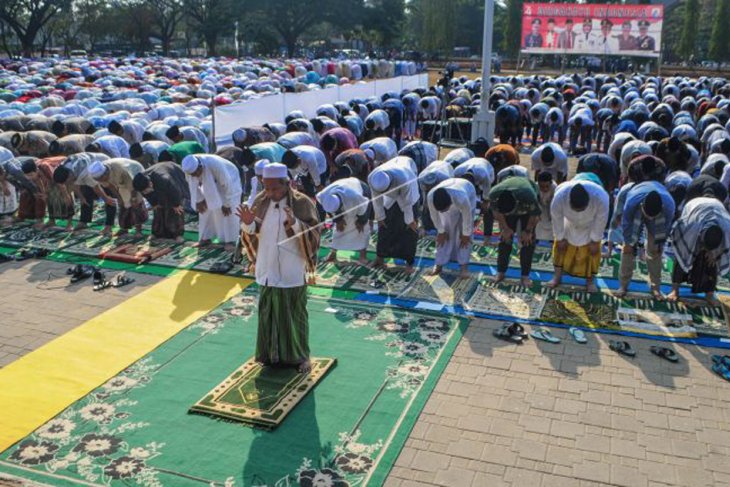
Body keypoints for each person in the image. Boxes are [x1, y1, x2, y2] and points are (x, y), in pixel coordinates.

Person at [238, 162, 320, 374]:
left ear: (287, 184)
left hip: (292, 269)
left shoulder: (302, 203)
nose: (270, 193)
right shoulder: (260, 201)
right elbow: (252, 231)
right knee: (269, 314)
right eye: (266, 188)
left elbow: (314, 235)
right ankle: (270, 355)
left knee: (295, 315)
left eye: (275, 188)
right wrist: (247, 223)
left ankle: (302, 356)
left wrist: (294, 223)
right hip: (266, 267)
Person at [616, 182, 675, 299]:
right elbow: (626, 224)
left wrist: (660, 244)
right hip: (636, 213)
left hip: (659, 220)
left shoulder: (669, 206)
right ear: (642, 205)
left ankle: (655, 288)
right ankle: (623, 286)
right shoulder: (632, 202)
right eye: (648, 215)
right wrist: (628, 242)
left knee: (655, 252)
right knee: (627, 250)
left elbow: (666, 229)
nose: (649, 218)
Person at [548, 180, 609, 292]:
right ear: (569, 201)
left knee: (592, 252)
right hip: (568, 222)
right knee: (560, 248)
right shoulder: (560, 197)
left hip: (590, 224)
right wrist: (560, 238)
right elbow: (556, 218)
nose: (578, 212)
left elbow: (601, 220)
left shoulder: (601, 198)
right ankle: (557, 277)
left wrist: (595, 240)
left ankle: (590, 281)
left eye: (581, 209)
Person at [668, 197, 730, 304]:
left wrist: (716, 253)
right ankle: (675, 290)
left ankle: (710, 294)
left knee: (712, 262)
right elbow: (680, 249)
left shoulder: (727, 229)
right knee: (683, 256)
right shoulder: (690, 225)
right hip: (694, 208)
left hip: (717, 212)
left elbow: (725, 250)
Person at [488, 174, 542, 286]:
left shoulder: (529, 196)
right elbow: (496, 212)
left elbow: (535, 215)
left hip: (527, 210)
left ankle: (525, 276)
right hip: (508, 204)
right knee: (504, 238)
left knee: (528, 241)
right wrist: (505, 228)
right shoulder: (494, 194)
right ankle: (500, 272)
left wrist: (528, 231)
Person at [368, 156, 420, 272]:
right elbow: (376, 198)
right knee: (384, 226)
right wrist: (380, 217)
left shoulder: (403, 178)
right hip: (389, 200)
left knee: (409, 230)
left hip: (409, 196)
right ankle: (379, 258)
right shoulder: (373, 177)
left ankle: (409, 263)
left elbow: (407, 203)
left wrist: (410, 221)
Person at [182, 154, 242, 250]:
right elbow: (192, 184)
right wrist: (199, 199)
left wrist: (227, 204)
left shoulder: (214, 164)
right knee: (205, 210)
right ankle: (205, 238)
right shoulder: (188, 169)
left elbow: (227, 184)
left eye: (196, 173)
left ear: (200, 167)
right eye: (193, 175)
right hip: (211, 182)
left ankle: (230, 241)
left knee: (229, 212)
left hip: (230, 177)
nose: (196, 176)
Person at [52, 152, 114, 233]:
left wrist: (105, 199)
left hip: (102, 166)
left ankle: (108, 226)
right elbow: (73, 184)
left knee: (110, 198)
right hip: (87, 165)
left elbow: (96, 187)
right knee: (85, 197)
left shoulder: (86, 173)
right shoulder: (63, 168)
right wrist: (81, 197)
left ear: (69, 176)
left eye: (66, 182)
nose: (67, 184)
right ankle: (83, 222)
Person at [316, 177, 372, 265]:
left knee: (361, 228)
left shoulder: (354, 197)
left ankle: (362, 257)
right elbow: (328, 210)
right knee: (339, 227)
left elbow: (365, 207)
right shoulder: (323, 196)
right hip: (345, 187)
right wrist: (338, 219)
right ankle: (333, 254)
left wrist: (361, 221)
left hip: (360, 189)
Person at [427, 178, 477, 277]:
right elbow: (435, 216)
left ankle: (464, 267)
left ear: (450, 203)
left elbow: (468, 217)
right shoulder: (431, 197)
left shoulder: (461, 198)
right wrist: (441, 231)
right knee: (443, 234)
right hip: (449, 197)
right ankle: (438, 264)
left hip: (468, 192)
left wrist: (466, 234)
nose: (442, 212)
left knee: (464, 237)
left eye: (445, 209)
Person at [88, 158, 148, 236]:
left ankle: (138, 231)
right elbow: (110, 186)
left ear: (105, 173)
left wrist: (133, 198)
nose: (99, 181)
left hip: (134, 174)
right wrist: (119, 198)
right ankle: (124, 228)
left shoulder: (120, 170)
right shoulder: (101, 175)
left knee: (135, 204)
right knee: (124, 205)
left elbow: (132, 186)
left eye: (100, 179)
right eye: (98, 179)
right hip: (122, 184)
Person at [133, 162, 191, 241]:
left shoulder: (163, 179)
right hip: (161, 180)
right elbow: (146, 194)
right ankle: (157, 233)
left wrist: (176, 204)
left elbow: (175, 190)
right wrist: (154, 203)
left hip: (174, 175)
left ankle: (177, 234)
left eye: (145, 190)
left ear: (150, 184)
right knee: (158, 209)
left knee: (176, 210)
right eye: (143, 192)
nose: (144, 193)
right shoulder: (140, 181)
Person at [535, 171, 557, 242]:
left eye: (547, 186)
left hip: (551, 206)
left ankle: (552, 240)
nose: (544, 189)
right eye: (542, 186)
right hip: (540, 206)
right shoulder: (535, 187)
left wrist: (552, 215)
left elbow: (554, 203)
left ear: (550, 183)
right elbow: (536, 202)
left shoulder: (555, 188)